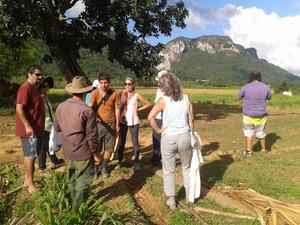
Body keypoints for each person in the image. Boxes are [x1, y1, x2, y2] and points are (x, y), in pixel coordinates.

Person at [53, 76, 101, 209]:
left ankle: (73, 202)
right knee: (83, 180)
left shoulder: (61, 106)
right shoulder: (87, 110)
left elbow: (57, 128)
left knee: (72, 177)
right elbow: (92, 137)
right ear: (86, 92)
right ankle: (79, 209)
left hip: (67, 150)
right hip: (83, 152)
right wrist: (96, 154)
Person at [148, 73, 194, 209]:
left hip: (169, 138)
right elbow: (191, 119)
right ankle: (189, 197)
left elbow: (150, 117)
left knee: (169, 170)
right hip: (185, 136)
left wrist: (159, 130)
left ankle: (172, 201)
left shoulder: (162, 100)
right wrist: (191, 134)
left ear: (164, 86)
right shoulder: (185, 98)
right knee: (187, 167)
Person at [15, 64, 45, 193]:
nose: (39, 77)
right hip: (29, 130)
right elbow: (19, 108)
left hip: (35, 129)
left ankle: (28, 179)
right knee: (31, 156)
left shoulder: (33, 88)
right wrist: (27, 126)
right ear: (29, 74)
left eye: (40, 75)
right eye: (37, 75)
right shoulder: (25, 88)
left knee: (30, 155)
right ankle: (31, 185)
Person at [88, 72, 120, 177]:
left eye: (105, 82)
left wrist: (117, 124)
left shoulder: (115, 93)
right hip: (98, 124)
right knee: (97, 148)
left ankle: (105, 167)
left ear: (109, 83)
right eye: (101, 82)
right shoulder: (95, 93)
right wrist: (94, 116)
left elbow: (117, 109)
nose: (103, 85)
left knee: (109, 148)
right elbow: (90, 107)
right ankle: (96, 168)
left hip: (111, 123)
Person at [116, 77, 150, 170]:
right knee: (121, 142)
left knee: (135, 142)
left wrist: (138, 109)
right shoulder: (121, 94)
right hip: (123, 121)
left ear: (133, 85)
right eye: (125, 84)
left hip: (134, 121)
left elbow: (147, 104)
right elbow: (117, 107)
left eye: (129, 84)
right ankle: (120, 162)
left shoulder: (136, 95)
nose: (127, 86)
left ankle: (136, 162)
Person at [237, 71, 272, 156]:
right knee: (261, 132)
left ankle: (248, 151)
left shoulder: (246, 87)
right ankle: (264, 150)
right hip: (261, 115)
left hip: (248, 115)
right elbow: (269, 97)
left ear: (250, 77)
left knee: (248, 133)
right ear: (260, 77)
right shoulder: (265, 87)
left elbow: (238, 97)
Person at [37, 77, 64, 171]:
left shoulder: (45, 97)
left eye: (47, 86)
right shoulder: (39, 99)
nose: (47, 87)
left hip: (49, 124)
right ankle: (42, 167)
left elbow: (49, 111)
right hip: (43, 125)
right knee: (43, 147)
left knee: (50, 143)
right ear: (40, 88)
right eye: (44, 86)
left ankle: (54, 160)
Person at [150, 70, 168, 167]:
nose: (158, 83)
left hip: (163, 118)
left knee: (162, 139)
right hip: (158, 117)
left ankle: (159, 158)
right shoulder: (160, 90)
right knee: (157, 138)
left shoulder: (166, 91)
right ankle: (156, 157)